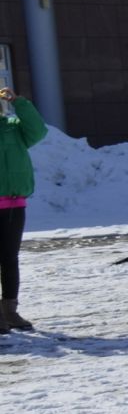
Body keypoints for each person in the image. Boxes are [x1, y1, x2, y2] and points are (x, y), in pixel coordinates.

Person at [0, 84, 48, 334]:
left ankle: (9, 311)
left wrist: (19, 102)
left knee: (9, 258)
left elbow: (38, 131)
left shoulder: (12, 128)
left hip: (13, 203)